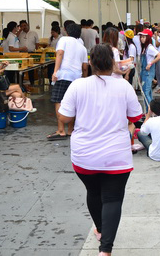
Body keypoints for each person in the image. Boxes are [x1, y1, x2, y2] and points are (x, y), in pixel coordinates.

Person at [57, 44, 142, 256]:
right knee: (112, 199)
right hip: (116, 156)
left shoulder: (78, 85)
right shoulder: (123, 87)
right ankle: (105, 250)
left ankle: (101, 230)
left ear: (92, 63)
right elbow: (135, 117)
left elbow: (65, 117)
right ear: (112, 64)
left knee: (93, 192)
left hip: (85, 155)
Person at [48, 22, 89, 140]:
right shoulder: (82, 47)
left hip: (63, 75)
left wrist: (55, 72)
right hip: (77, 77)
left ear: (67, 31)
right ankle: (71, 130)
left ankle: (61, 130)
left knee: (58, 100)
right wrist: (84, 79)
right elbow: (85, 67)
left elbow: (60, 53)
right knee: (74, 104)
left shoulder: (64, 40)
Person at [139, 29, 160, 109]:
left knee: (146, 93)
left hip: (148, 73)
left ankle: (150, 111)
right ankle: (151, 110)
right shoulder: (145, 48)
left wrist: (150, 63)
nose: (142, 38)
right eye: (141, 37)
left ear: (148, 38)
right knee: (148, 93)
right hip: (144, 73)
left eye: (144, 37)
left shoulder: (150, 47)